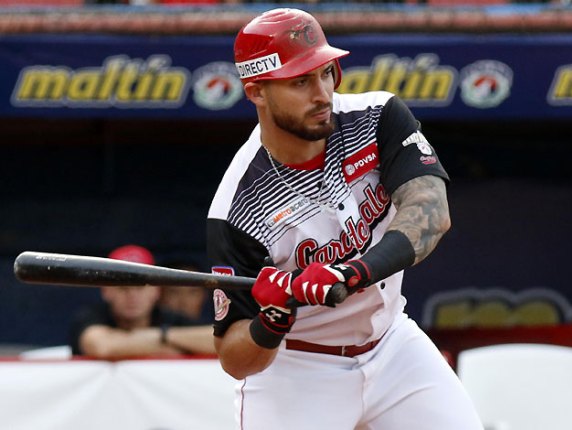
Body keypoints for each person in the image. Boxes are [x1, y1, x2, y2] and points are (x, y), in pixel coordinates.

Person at [207, 8, 483, 429]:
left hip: (393, 346)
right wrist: (275, 317)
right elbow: (235, 359)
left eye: (325, 72)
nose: (322, 94)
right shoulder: (238, 206)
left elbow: (430, 215)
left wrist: (351, 273)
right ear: (256, 92)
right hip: (298, 368)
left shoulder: (377, 118)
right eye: (300, 81)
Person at [69, 244, 216, 358]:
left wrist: (162, 335)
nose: (132, 296)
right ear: (106, 291)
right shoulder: (92, 315)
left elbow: (217, 341)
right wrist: (169, 345)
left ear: (156, 290)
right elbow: (102, 346)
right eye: (123, 288)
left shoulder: (169, 317)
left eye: (140, 287)